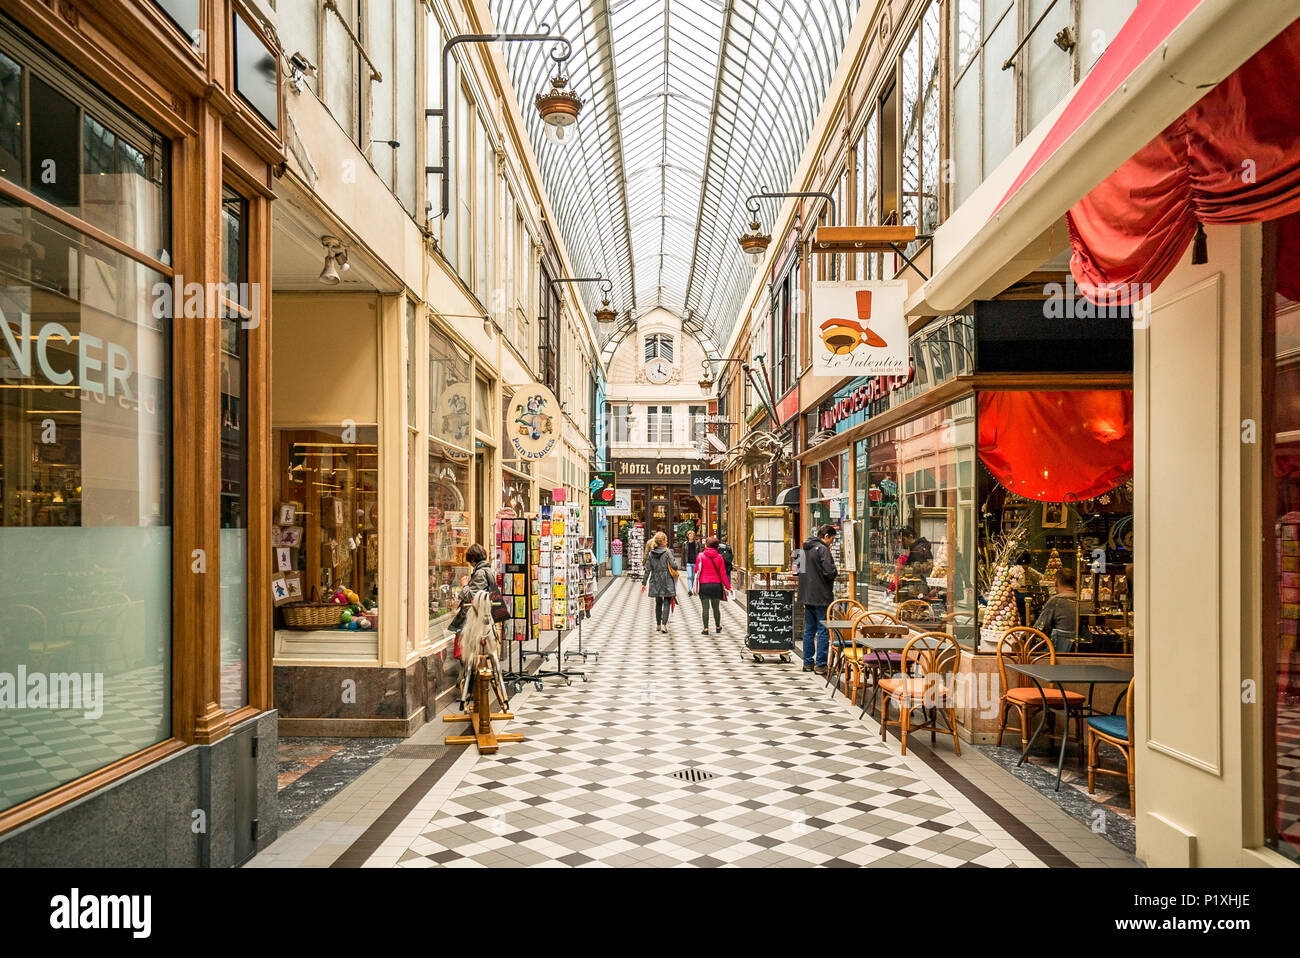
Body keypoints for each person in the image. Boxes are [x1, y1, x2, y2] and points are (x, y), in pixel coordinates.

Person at [797, 523, 839, 674]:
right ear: (826, 536)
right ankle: (821, 664)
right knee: (822, 630)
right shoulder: (822, 549)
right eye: (831, 540)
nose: (831, 543)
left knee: (809, 630)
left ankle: (807, 662)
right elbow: (830, 572)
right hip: (821, 596)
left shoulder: (803, 548)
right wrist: (834, 571)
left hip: (807, 596)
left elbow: (798, 570)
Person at [1034, 567, 1085, 654]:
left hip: (1058, 651)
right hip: (1084, 651)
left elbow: (1039, 627)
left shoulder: (1055, 601)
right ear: (1075, 583)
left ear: (1056, 582)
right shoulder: (1084, 600)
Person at [695, 536, 731, 635]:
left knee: (705, 608)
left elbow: (696, 570)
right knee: (716, 608)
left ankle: (706, 629)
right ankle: (718, 626)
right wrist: (729, 587)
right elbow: (723, 574)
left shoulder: (700, 556)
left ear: (706, 545)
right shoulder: (719, 557)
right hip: (716, 586)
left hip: (704, 585)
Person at [644, 531, 678, 634]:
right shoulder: (667, 552)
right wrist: (674, 564)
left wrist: (643, 582)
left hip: (655, 580)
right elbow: (674, 566)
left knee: (658, 602)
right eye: (666, 540)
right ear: (663, 542)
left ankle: (658, 624)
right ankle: (664, 624)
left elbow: (647, 569)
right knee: (667, 601)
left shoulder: (651, 553)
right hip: (667, 579)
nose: (667, 542)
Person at [683, 528, 700, 596]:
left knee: (693, 576)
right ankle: (690, 590)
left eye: (692, 535)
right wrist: (683, 564)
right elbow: (683, 554)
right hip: (688, 562)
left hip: (695, 562)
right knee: (689, 576)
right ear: (688, 536)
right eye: (690, 535)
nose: (691, 537)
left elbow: (699, 553)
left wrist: (699, 562)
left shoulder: (697, 543)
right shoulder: (685, 544)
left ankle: (693, 588)